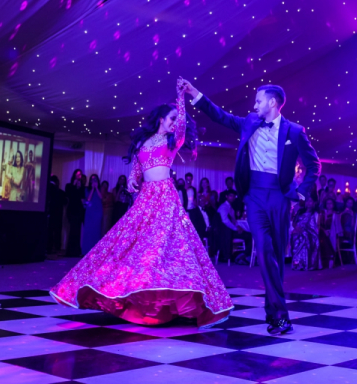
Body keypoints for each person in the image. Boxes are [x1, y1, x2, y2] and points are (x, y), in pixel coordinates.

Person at [53, 85, 232, 328]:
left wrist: (180, 97)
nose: (174, 123)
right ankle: (140, 300)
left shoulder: (173, 141)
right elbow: (136, 171)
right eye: (171, 119)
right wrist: (130, 180)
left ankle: (171, 302)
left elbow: (181, 128)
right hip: (145, 199)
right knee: (131, 247)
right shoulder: (143, 144)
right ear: (160, 119)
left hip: (166, 198)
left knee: (164, 248)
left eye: (176, 120)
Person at [179, 78, 320, 336]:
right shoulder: (249, 121)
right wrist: (195, 93)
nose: (254, 104)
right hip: (253, 195)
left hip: (279, 197)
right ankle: (280, 316)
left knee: (276, 256)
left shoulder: (295, 131)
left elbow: (314, 166)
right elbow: (219, 115)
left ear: (272, 103)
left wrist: (300, 193)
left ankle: (273, 308)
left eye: (258, 100)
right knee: (265, 251)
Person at [216, 191, 252, 260]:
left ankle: (246, 254)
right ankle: (245, 255)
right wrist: (236, 229)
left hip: (230, 231)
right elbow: (225, 220)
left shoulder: (230, 207)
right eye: (230, 196)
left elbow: (233, 220)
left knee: (249, 234)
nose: (232, 197)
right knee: (250, 236)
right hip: (225, 233)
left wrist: (238, 227)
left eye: (233, 196)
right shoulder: (223, 206)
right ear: (226, 196)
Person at [291, 195, 320, 271]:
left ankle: (306, 264)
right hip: (299, 229)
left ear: (314, 203)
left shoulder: (315, 213)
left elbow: (316, 226)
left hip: (311, 232)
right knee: (295, 236)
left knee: (304, 236)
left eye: (310, 201)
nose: (308, 203)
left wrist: (304, 230)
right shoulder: (300, 211)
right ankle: (298, 263)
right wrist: (297, 228)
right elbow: (294, 223)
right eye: (307, 201)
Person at [81, 174, 103, 255]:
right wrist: (92, 189)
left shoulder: (100, 188)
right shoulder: (87, 189)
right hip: (90, 211)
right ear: (90, 181)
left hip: (98, 210)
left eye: (95, 179)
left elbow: (101, 197)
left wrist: (96, 188)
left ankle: (95, 251)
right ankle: (86, 250)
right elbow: (88, 198)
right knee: (88, 230)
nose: (93, 181)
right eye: (92, 179)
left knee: (96, 230)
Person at [65, 170, 86, 257]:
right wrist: (74, 185)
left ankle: (76, 251)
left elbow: (82, 198)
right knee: (72, 230)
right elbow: (69, 195)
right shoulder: (69, 185)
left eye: (80, 174)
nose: (78, 176)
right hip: (72, 210)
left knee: (77, 230)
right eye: (77, 174)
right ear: (74, 175)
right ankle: (70, 251)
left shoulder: (82, 187)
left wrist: (79, 187)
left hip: (79, 210)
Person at [46, 176, 65, 254]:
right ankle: (55, 248)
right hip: (56, 214)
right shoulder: (60, 192)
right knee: (55, 231)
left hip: (53, 213)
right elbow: (65, 202)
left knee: (52, 231)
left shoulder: (51, 191)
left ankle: (51, 248)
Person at [319, 197, 339, 267]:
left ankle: (330, 258)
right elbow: (318, 224)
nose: (329, 205)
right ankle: (330, 256)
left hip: (331, 232)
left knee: (328, 236)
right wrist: (324, 231)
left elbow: (337, 227)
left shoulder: (335, 214)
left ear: (333, 205)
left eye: (331, 203)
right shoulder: (322, 213)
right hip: (321, 231)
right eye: (327, 203)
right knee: (323, 236)